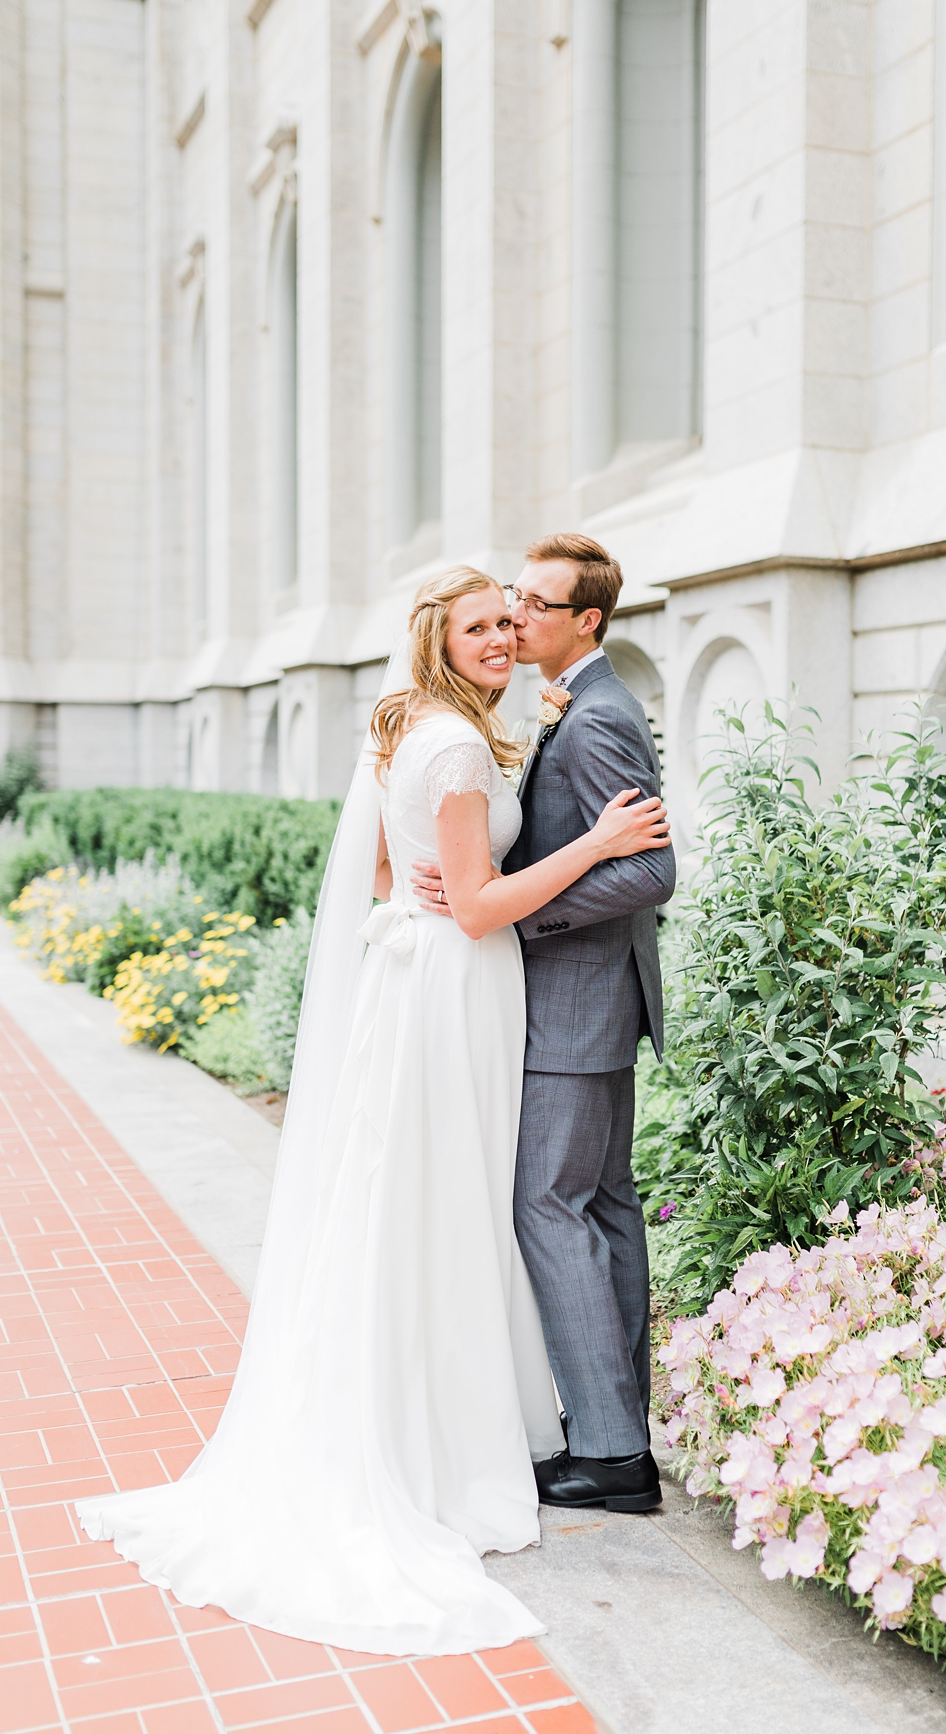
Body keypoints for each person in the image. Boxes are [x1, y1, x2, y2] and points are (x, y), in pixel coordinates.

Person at [75, 564, 669, 1657]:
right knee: (441, 1200)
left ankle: (469, 1420)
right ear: (436, 637)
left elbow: (406, 864)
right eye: (479, 625)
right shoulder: (449, 742)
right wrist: (590, 845)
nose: (500, 637)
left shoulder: (422, 726)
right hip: (453, 985)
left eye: (509, 620)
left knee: (431, 1195)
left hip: (436, 976)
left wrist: (437, 883)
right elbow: (481, 903)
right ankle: (433, 1441)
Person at [413, 534, 677, 1514]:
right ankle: (618, 1425)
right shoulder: (572, 704)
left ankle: (610, 1454)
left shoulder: (600, 714)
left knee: (549, 1206)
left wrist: (521, 912)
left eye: (533, 605)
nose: (515, 619)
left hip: (574, 1002)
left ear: (586, 623)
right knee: (603, 1205)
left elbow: (651, 870)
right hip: (594, 1001)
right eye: (506, 603)